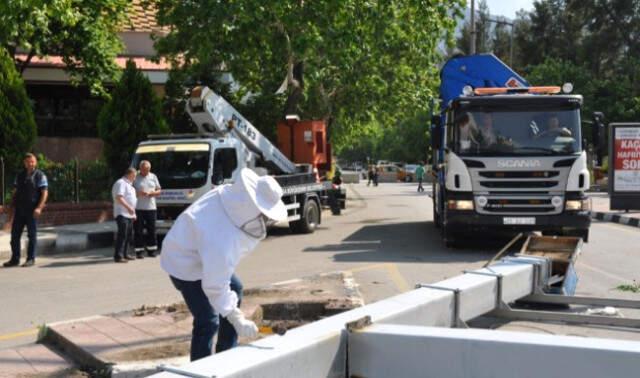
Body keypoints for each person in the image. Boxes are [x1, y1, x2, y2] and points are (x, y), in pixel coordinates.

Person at [160, 168, 288, 361]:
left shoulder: (231, 197)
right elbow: (215, 286)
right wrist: (238, 319)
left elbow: (218, 276)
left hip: (196, 250)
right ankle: (201, 368)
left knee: (235, 289)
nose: (265, 219)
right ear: (252, 205)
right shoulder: (223, 238)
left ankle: (226, 355)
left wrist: (234, 316)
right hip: (184, 264)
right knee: (208, 320)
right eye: (263, 214)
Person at [3, 153, 48, 268]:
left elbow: (44, 193)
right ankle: (15, 259)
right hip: (19, 210)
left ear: (35, 162)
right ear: (24, 163)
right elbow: (15, 192)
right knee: (14, 235)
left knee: (32, 235)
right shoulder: (19, 176)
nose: (30, 164)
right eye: (28, 162)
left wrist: (39, 208)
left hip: (32, 210)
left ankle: (30, 259)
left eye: (32, 161)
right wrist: (10, 206)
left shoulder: (40, 175)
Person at [133, 160, 161, 258]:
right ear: (140, 168)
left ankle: (152, 250)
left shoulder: (153, 176)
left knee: (152, 230)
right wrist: (138, 193)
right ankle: (139, 251)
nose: (146, 171)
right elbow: (128, 191)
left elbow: (159, 190)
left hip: (151, 207)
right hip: (138, 208)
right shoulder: (135, 176)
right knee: (138, 230)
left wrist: (152, 193)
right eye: (144, 170)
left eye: (148, 169)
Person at [112, 167, 137, 263]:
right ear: (129, 174)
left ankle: (125, 254)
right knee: (122, 235)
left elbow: (132, 201)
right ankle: (118, 256)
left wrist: (133, 213)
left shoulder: (130, 186)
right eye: (134, 176)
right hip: (122, 213)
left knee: (128, 235)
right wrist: (129, 208)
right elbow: (119, 197)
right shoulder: (121, 183)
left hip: (129, 214)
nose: (135, 178)